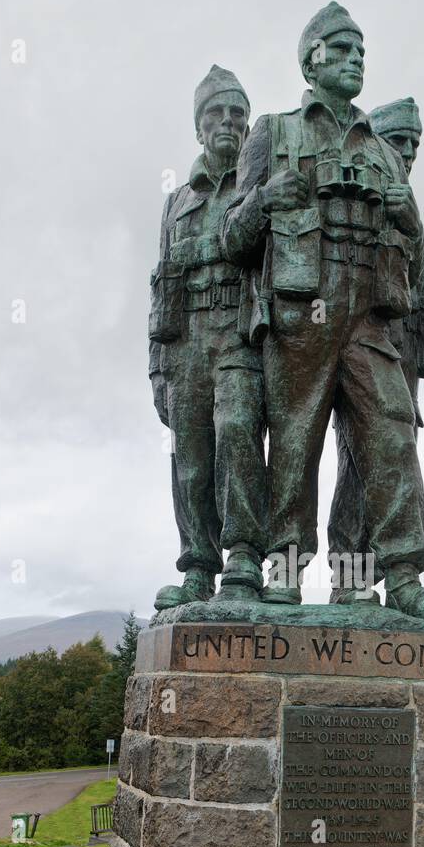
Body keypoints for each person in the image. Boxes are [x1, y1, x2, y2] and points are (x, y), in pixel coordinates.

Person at [222, 3, 424, 621]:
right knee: (296, 444)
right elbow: (232, 239)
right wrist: (265, 201)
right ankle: (283, 573)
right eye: (343, 49)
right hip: (304, 313)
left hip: (370, 317)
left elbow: (413, 246)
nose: (356, 60)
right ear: (312, 59)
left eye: (361, 52)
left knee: (391, 436)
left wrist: (408, 213)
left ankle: (400, 575)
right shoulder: (272, 134)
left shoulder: (381, 149)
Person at [149, 65, 267, 611]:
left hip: (239, 335)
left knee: (239, 434)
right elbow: (161, 284)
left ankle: (244, 555)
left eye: (237, 113)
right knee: (190, 455)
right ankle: (198, 566)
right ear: (199, 127)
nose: (228, 122)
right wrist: (157, 367)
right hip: (186, 342)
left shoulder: (258, 187)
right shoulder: (176, 201)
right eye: (216, 113)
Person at [327, 96, 424, 605]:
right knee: (356, 465)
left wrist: (413, 225)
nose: (408, 152)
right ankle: (350, 578)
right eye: (399, 141)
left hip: (397, 360)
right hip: (344, 342)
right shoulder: (356, 199)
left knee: (392, 455)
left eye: (414, 144)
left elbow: (417, 279)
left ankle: (389, 574)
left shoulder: (406, 207)